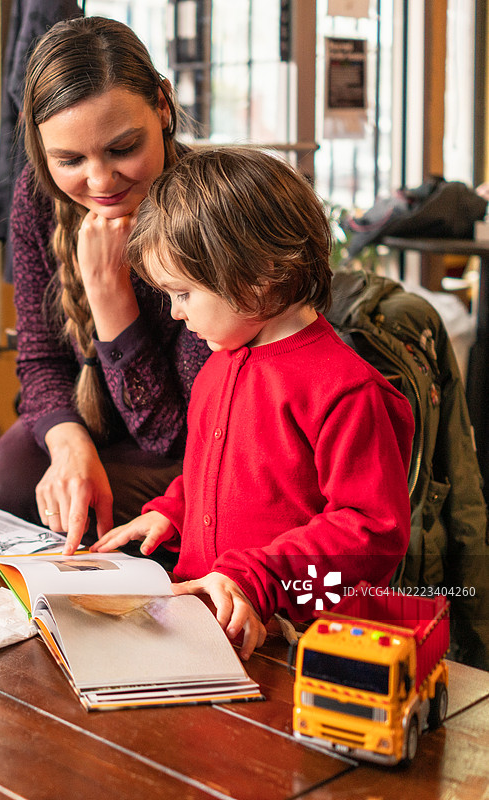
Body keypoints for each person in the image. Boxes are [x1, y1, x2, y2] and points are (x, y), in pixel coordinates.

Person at [90, 146, 416, 660]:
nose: (175, 314)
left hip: (296, 640)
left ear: (260, 277)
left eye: (183, 294)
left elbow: (371, 530)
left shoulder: (348, 391)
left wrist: (260, 577)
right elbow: (223, 475)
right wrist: (174, 511)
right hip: (207, 617)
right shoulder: (218, 366)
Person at [0, 17, 210, 556]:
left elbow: (171, 436)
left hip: (187, 451)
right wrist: (67, 441)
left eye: (123, 148)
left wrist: (109, 296)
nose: (99, 182)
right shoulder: (38, 195)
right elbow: (38, 359)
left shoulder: (205, 215)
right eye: (70, 160)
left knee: (60, 521)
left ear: (163, 107)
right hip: (93, 418)